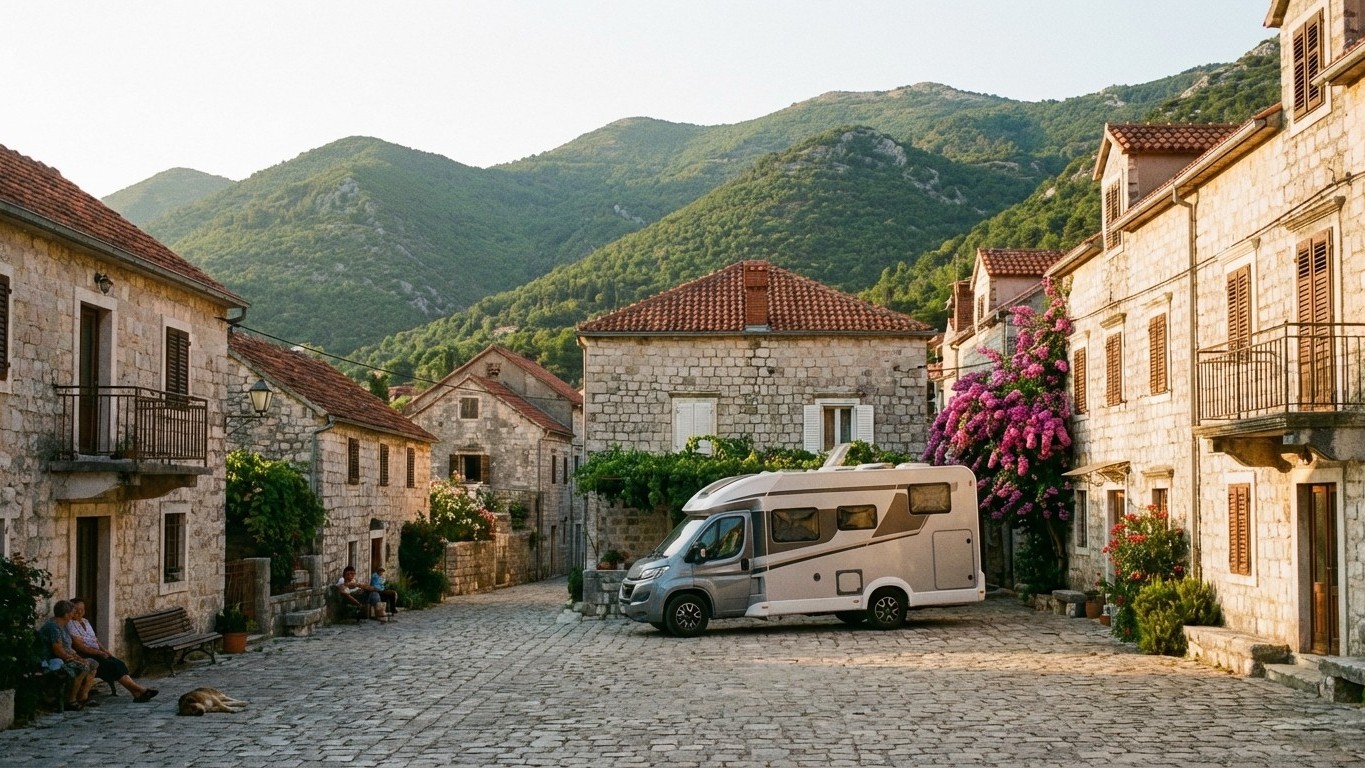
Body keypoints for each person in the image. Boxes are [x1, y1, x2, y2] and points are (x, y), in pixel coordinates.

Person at [67, 598, 159, 703]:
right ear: (71, 611)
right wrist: (99, 653)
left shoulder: (85, 621)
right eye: (77, 609)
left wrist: (104, 650)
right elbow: (80, 647)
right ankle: (140, 690)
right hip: (85, 654)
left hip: (97, 652)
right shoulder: (70, 624)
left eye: (82, 609)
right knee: (112, 666)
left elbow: (94, 639)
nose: (80, 612)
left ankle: (136, 693)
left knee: (119, 664)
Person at [38, 599, 99, 710]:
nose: (74, 614)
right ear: (66, 614)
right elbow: (58, 649)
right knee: (83, 667)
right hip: (51, 661)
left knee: (93, 663)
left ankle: (83, 696)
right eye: (72, 612)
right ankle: (71, 700)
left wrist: (78, 657)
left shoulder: (63, 625)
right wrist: (72, 659)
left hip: (61, 657)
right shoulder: (54, 627)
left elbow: (67, 647)